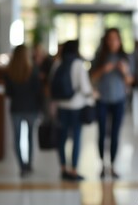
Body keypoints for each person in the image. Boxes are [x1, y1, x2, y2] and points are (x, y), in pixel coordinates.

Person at [90, 27, 134, 179]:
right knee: (102, 132)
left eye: (115, 38)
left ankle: (113, 165)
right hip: (102, 99)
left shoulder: (126, 58)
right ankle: (103, 164)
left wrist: (124, 72)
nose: (112, 42)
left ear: (120, 40)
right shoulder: (99, 56)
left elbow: (130, 80)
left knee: (115, 133)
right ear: (106, 40)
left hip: (119, 100)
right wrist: (103, 69)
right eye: (110, 39)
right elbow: (92, 77)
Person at [50, 39, 94, 181]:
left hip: (62, 106)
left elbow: (52, 84)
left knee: (62, 138)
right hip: (76, 107)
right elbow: (85, 88)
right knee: (76, 138)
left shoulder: (58, 63)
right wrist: (93, 96)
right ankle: (74, 170)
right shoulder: (78, 64)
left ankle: (63, 168)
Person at [4, 45, 42, 177]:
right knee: (30, 137)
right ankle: (29, 164)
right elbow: (38, 91)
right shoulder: (34, 70)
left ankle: (22, 166)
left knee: (17, 138)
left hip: (16, 108)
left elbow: (8, 93)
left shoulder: (10, 72)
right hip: (31, 108)